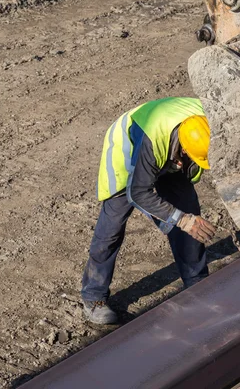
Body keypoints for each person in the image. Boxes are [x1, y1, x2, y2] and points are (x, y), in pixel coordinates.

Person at [81, 97, 217, 324]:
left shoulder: (209, 123)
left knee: (190, 215)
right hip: (129, 151)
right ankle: (94, 295)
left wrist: (185, 218)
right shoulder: (152, 142)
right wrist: (179, 220)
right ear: (184, 148)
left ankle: (197, 284)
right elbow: (138, 193)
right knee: (111, 228)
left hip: (170, 152)